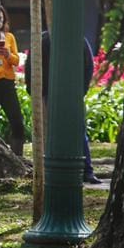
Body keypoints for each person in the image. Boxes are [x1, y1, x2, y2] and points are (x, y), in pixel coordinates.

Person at [26, 30, 100, 185]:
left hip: (71, 92)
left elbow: (88, 65)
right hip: (50, 92)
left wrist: (81, 90)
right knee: (55, 132)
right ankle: (60, 170)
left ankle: (86, 170)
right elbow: (31, 65)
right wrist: (34, 90)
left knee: (78, 131)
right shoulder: (44, 40)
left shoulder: (77, 39)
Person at [0, 7, 24, 156]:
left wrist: (8, 55)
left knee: (17, 120)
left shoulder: (9, 37)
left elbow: (17, 61)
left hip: (7, 82)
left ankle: (17, 155)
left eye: (1, 19)